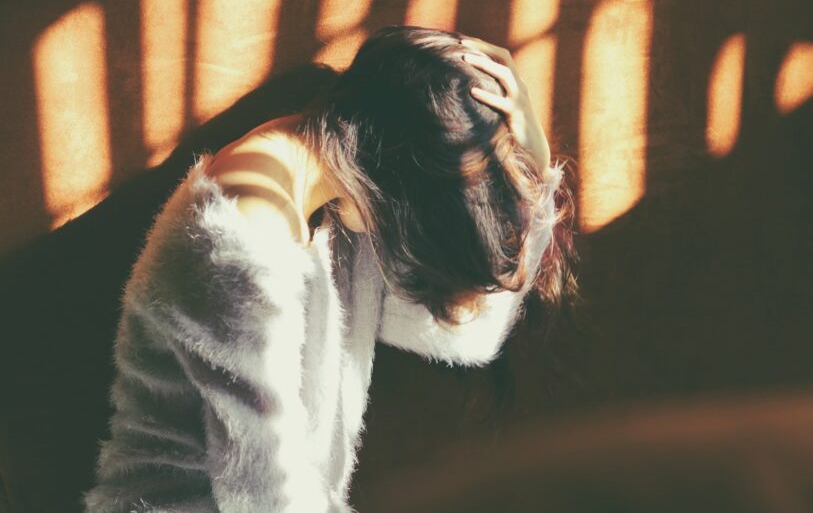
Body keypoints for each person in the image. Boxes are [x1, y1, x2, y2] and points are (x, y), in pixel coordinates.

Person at [82, 25, 574, 512]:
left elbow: (460, 332)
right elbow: (263, 493)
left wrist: (535, 163)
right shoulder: (241, 235)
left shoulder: (344, 172)